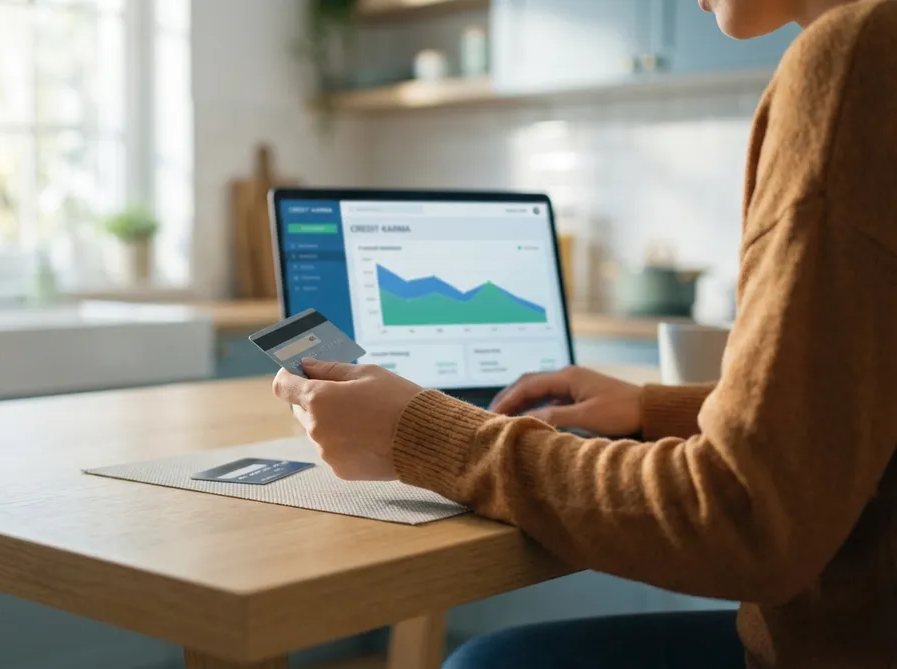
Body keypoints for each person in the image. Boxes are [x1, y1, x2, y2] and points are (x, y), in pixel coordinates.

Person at [272, 0, 897, 667]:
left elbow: (744, 519)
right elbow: (856, 419)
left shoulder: (858, 56)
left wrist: (425, 435)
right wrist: (655, 410)